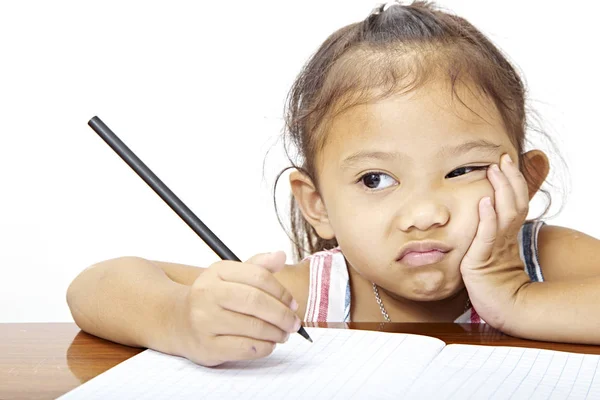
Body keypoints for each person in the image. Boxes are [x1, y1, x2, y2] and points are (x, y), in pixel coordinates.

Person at [66, 1, 600, 367]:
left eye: (462, 171)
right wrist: (178, 319)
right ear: (317, 205)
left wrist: (517, 298)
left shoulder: (544, 260)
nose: (424, 213)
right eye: (375, 179)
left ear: (526, 181)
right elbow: (96, 286)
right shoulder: (318, 293)